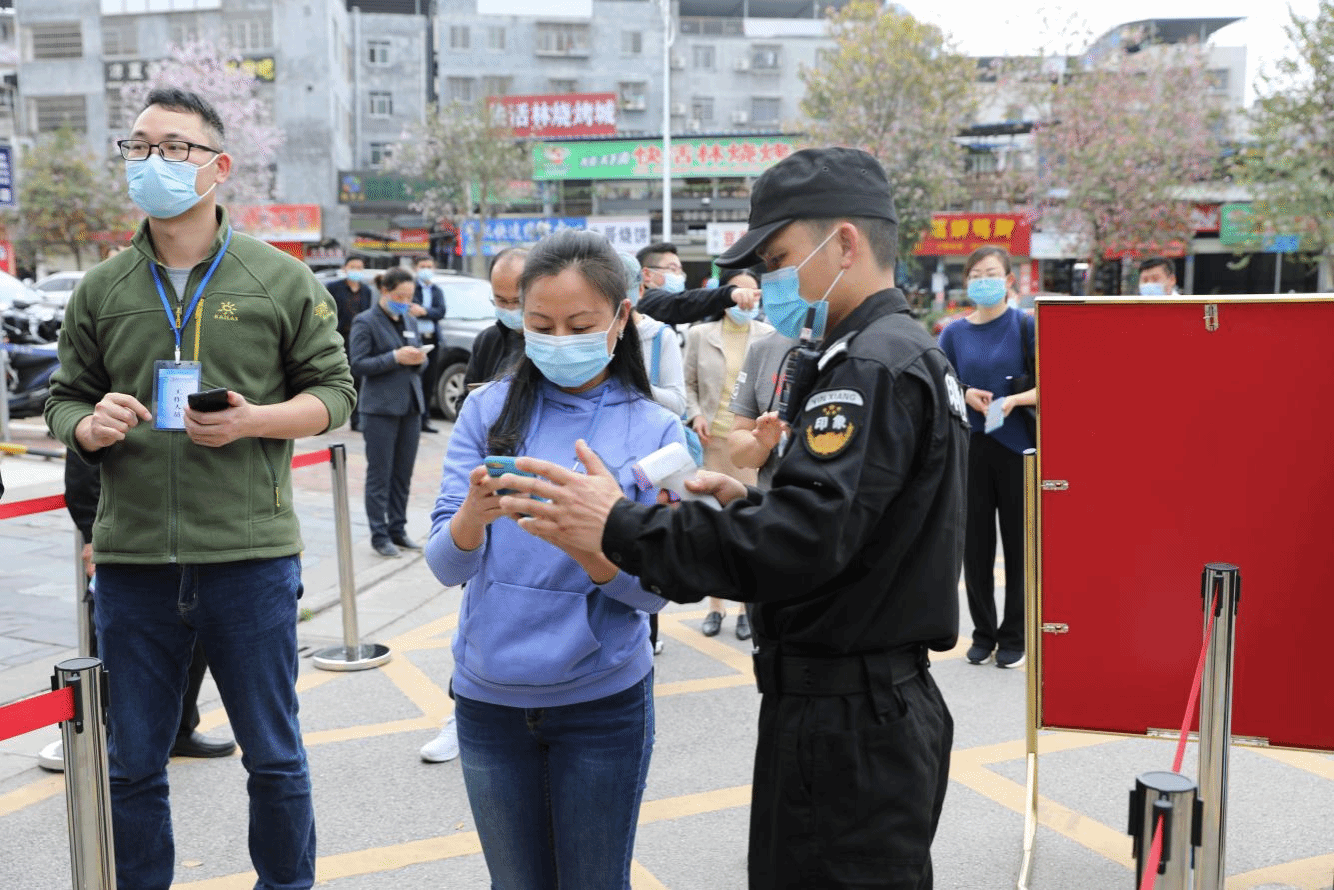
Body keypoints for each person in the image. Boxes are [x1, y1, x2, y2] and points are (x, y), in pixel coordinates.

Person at [494, 147, 966, 889]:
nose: (764, 283)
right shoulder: (894, 354)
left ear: (844, 243)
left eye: (777, 260)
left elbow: (799, 546)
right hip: (856, 706)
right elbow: (851, 528)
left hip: (850, 717)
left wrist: (619, 525)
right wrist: (754, 503)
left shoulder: (871, 367)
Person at [44, 87, 355, 890]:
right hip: (132, 562)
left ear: (219, 166)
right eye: (139, 146)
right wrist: (88, 424)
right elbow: (61, 398)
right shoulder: (100, 289)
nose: (153, 161)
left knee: (275, 759)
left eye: (174, 147)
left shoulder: (280, 279)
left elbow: (336, 395)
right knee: (132, 766)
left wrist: (257, 420)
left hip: (249, 560)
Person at [423, 228, 684, 889]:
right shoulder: (486, 413)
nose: (558, 339)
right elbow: (444, 566)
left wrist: (593, 547)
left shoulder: (655, 431)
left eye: (579, 323)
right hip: (488, 702)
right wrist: (471, 519)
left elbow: (656, 592)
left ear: (622, 318)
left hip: (602, 702)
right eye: (541, 323)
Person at [40, 453, 237, 773]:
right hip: (128, 539)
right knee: (117, 644)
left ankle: (180, 729)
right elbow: (82, 469)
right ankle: (106, 734)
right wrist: (92, 533)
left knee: (195, 628)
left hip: (192, 533)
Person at [937, 245, 1036, 669]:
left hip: (1017, 448)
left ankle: (1014, 636)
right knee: (974, 547)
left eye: (991, 273)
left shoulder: (1026, 325)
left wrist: (1013, 400)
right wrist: (964, 393)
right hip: (971, 448)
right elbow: (940, 386)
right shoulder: (953, 333)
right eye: (975, 274)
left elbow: (1055, 383)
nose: (983, 280)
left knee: (1019, 546)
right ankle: (983, 632)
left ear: (1010, 280)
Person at [683, 266, 776, 640]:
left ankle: (744, 608)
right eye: (738, 292)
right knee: (713, 528)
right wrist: (696, 414)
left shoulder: (769, 336)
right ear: (723, 296)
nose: (746, 299)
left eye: (754, 293)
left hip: (748, 444)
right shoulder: (699, 335)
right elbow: (687, 384)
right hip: (711, 445)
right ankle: (716, 606)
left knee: (749, 525)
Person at [619, 250, 688, 656]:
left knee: (645, 546)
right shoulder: (593, 336)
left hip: (651, 464)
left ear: (641, 287)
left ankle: (646, 638)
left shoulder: (660, 337)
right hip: (606, 460)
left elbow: (677, 402)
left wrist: (634, 385)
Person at [350, 267, 428, 559]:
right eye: (399, 296)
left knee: (403, 474)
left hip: (411, 406)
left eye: (409, 297)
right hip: (380, 408)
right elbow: (358, 364)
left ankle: (398, 527)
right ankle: (379, 534)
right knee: (380, 474)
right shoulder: (365, 321)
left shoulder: (409, 319)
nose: (405, 302)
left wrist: (419, 359)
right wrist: (395, 357)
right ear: (384, 291)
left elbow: (420, 363)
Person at [460, 247, 528, 405]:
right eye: (501, 300)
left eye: (518, 301)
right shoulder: (487, 340)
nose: (510, 308)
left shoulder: (551, 344)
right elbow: (465, 401)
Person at [635, 241, 761, 324]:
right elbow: (680, 303)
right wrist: (729, 294)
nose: (680, 276)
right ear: (647, 274)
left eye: (680, 270)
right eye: (672, 269)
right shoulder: (643, 302)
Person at [326, 255, 373, 431]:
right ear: (345, 268)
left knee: (359, 379)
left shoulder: (366, 291)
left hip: (359, 340)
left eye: (359, 267)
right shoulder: (333, 288)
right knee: (337, 376)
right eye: (352, 267)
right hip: (339, 338)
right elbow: (324, 310)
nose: (356, 271)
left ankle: (356, 419)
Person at [413, 254, 447, 432]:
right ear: (416, 269)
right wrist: (423, 311)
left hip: (432, 338)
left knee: (429, 381)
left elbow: (440, 311)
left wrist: (424, 311)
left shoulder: (436, 291)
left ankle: (425, 419)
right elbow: (411, 308)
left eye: (429, 266)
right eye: (422, 266)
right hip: (415, 339)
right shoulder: (412, 288)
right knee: (415, 380)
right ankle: (414, 419)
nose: (426, 269)